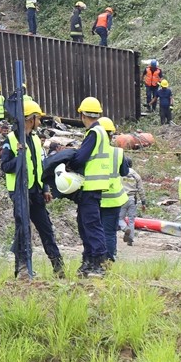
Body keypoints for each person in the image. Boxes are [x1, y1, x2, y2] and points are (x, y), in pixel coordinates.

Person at [2, 100, 66, 277]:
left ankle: (58, 267)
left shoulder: (37, 140)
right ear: (30, 119)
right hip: (20, 192)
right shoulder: (11, 139)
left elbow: (40, 166)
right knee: (23, 230)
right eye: (38, 118)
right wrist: (19, 156)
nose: (40, 121)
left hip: (36, 191)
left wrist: (45, 188)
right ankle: (22, 269)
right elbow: (5, 166)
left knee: (46, 228)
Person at [72, 97, 112, 277]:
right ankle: (88, 261)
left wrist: (69, 161)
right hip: (95, 186)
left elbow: (80, 158)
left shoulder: (94, 133)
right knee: (85, 224)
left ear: (82, 115)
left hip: (90, 186)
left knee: (91, 225)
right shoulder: (102, 131)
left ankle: (98, 264)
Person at [97, 118, 130, 263]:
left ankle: (96, 258)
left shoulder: (90, 152)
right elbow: (124, 172)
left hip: (95, 198)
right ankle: (109, 260)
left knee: (95, 230)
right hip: (114, 199)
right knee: (109, 232)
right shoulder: (118, 153)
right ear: (111, 135)